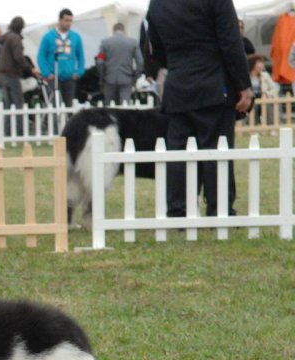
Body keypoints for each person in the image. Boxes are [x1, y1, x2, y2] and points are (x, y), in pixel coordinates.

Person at [147, 0, 252, 218]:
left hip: (177, 86)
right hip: (213, 85)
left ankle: (178, 209)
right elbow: (231, 42)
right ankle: (219, 208)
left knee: (178, 153)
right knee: (216, 149)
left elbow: (156, 48)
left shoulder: (157, 3)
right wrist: (243, 85)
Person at [38, 8, 85, 107]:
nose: (69, 23)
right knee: (55, 106)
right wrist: (47, 73)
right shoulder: (48, 36)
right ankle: (55, 123)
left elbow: (81, 56)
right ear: (60, 20)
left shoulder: (75, 37)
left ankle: (68, 122)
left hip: (70, 77)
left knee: (69, 106)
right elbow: (41, 56)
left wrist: (79, 72)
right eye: (66, 20)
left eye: (70, 21)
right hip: (54, 78)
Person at [96, 22, 144, 106]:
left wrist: (102, 77)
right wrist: (135, 77)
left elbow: (100, 61)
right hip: (126, 80)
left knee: (109, 109)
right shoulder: (133, 42)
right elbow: (140, 62)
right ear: (124, 31)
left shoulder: (105, 43)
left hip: (109, 80)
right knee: (124, 109)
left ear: (113, 31)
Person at [0, 16, 28, 113]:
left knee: (7, 105)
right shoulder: (15, 38)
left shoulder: (6, 38)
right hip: (12, 75)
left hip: (2, 75)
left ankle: (7, 128)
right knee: (18, 104)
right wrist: (29, 68)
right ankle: (18, 128)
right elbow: (18, 57)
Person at [248, 53, 278, 124]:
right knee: (252, 106)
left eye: (262, 63)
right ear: (253, 64)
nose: (262, 65)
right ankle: (253, 127)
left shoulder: (265, 75)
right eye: (259, 62)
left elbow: (275, 88)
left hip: (262, 98)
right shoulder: (245, 76)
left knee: (267, 105)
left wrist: (266, 94)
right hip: (250, 99)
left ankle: (270, 127)